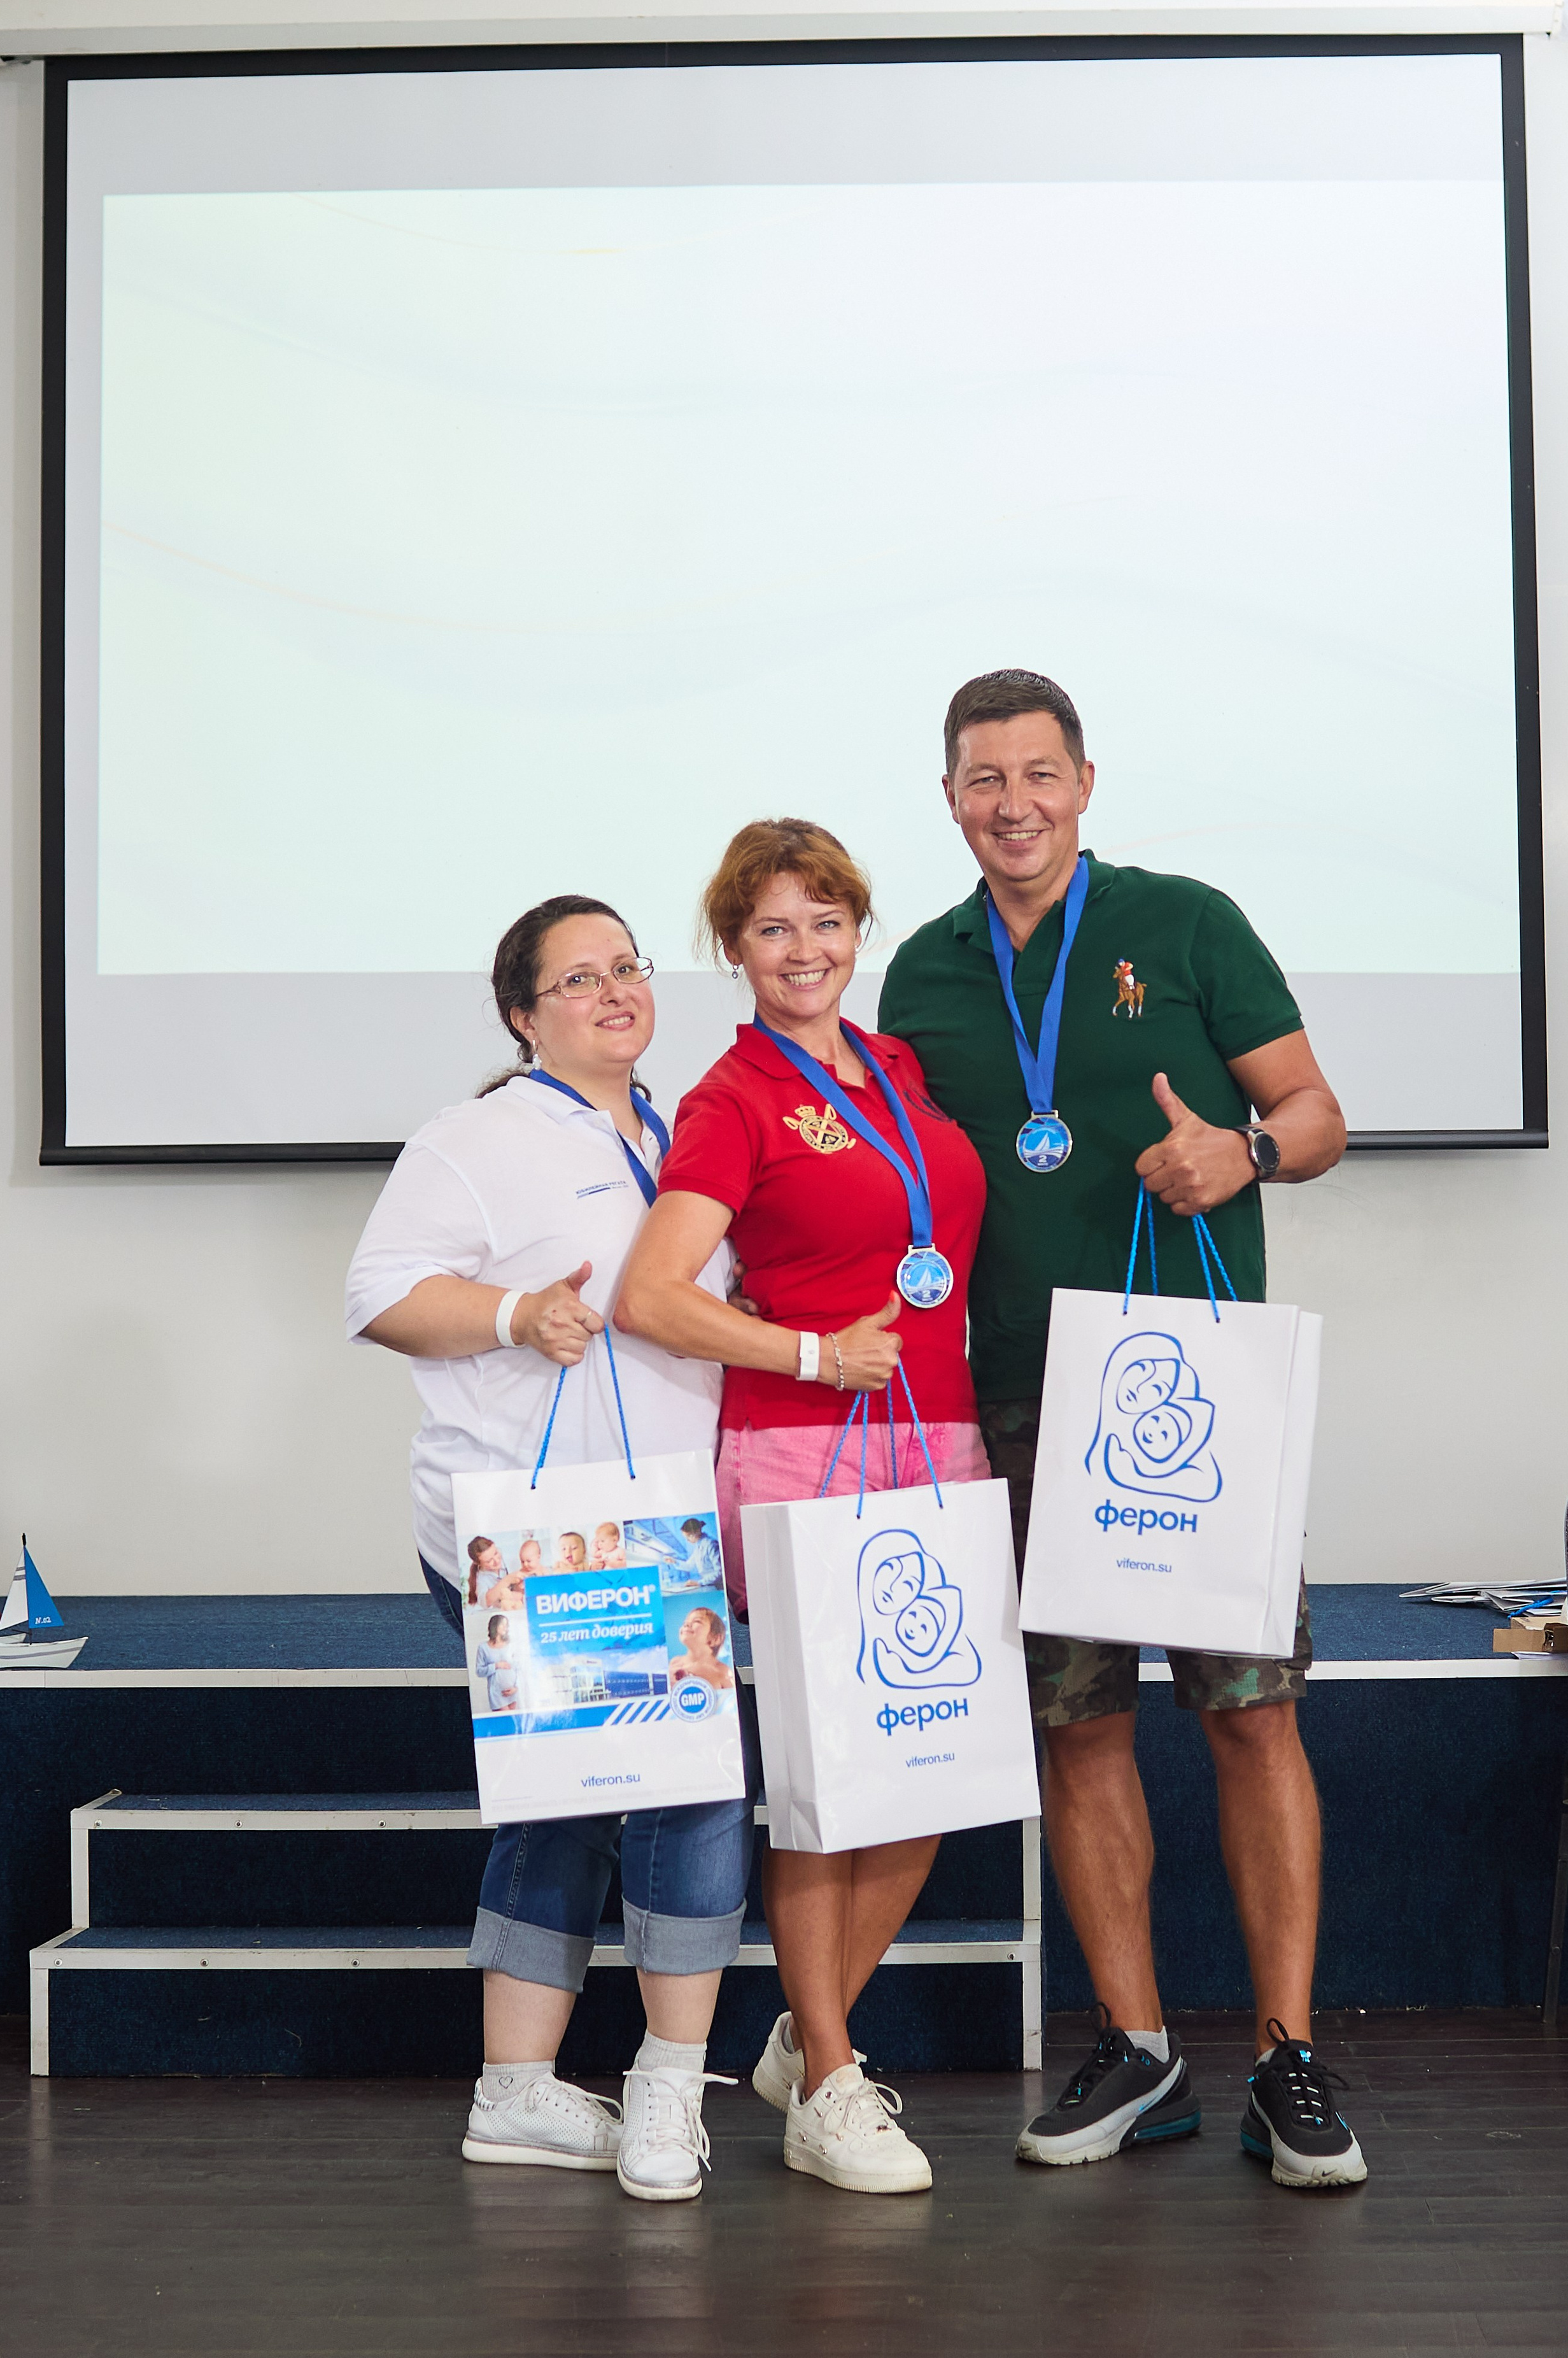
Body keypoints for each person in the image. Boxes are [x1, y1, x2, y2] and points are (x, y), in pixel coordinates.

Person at [878, 667, 1364, 2190]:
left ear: (1083, 781)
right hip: (1016, 1396)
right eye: (979, 779)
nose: (1010, 802)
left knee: (1249, 1713)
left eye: (1036, 773)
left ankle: (1283, 2053)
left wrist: (1246, 1150)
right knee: (1074, 1727)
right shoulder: (917, 970)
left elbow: (1318, 1115)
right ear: (947, 796)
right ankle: (1139, 2047)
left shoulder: (1186, 921)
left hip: (1193, 1389)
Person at [346, 894, 751, 2203]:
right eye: (578, 979)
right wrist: (520, 1313)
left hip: (665, 1525)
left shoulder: (692, 1132)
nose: (614, 992)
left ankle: (544, 2092)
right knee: (663, 1790)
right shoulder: (476, 1140)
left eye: (627, 967)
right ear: (524, 1015)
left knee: (581, 1791)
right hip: (535, 1537)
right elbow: (383, 1298)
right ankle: (638, 2093)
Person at [616, 818, 989, 2196]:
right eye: (772, 928)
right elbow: (649, 1295)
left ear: (855, 932)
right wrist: (811, 1351)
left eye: (824, 922)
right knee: (834, 1783)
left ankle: (799, 2036)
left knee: (928, 1766)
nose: (803, 949)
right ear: (734, 950)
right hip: (805, 1456)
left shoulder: (893, 1068)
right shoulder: (730, 1097)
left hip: (934, 1443)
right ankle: (828, 2083)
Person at [670, 1605, 735, 1690]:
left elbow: (732, 1700)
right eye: (685, 1622)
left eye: (697, 1621)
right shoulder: (675, 1663)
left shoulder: (722, 1672)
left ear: (715, 1638)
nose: (686, 1624)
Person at [476, 1614, 518, 1714]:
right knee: (505, 1720)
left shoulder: (511, 1645)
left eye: (506, 1625)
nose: (506, 1628)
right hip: (497, 1694)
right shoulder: (483, 1648)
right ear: (495, 1626)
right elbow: (479, 1671)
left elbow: (519, 1668)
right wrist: (496, 1665)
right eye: (502, 1625)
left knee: (513, 1724)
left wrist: (516, 1688)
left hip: (513, 1692)